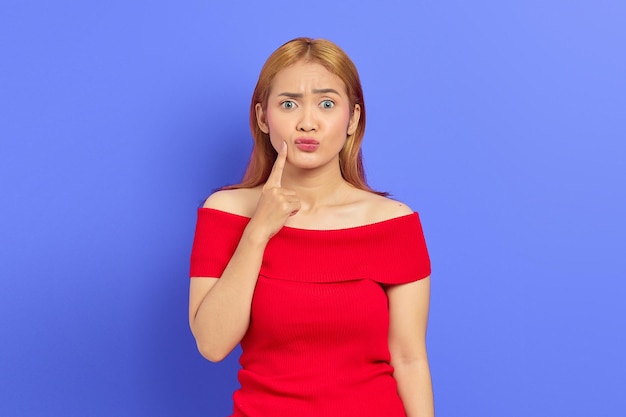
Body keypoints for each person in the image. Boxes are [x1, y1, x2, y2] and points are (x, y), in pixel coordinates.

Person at [188, 37, 434, 417]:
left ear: (352, 118)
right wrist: (257, 232)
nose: (307, 122)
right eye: (288, 104)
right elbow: (212, 344)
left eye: (327, 103)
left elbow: (410, 358)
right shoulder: (226, 211)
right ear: (262, 117)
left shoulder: (393, 223)